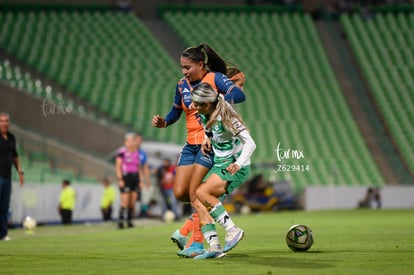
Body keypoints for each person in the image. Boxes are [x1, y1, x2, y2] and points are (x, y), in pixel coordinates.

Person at [152, 43, 246, 257]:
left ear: (201, 65)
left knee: (196, 192)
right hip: (190, 145)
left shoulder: (214, 79)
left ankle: (200, 243)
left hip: (209, 142)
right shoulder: (181, 85)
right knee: (181, 192)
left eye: (188, 67)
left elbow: (239, 97)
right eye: (182, 67)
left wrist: (214, 99)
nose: (184, 72)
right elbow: (175, 111)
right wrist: (164, 123)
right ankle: (196, 233)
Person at [190, 83, 256, 259]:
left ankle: (232, 230)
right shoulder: (207, 112)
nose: (192, 107)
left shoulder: (226, 118)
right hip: (221, 163)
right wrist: (206, 138)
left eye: (196, 104)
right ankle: (214, 247)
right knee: (197, 199)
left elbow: (250, 143)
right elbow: (210, 129)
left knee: (201, 192)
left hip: (233, 165)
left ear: (207, 104)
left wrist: (239, 164)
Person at [0, 112, 24, 241]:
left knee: (4, 207)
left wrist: (20, 171)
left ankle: (3, 235)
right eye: (1, 121)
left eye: (6, 121)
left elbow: (15, 156)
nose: (4, 123)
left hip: (7, 176)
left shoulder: (11, 138)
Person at [134, 133, 151, 217]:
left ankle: (140, 213)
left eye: (140, 141)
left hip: (140, 179)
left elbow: (145, 167)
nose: (138, 142)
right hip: (131, 177)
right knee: (131, 197)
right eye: (137, 140)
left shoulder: (142, 153)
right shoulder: (128, 152)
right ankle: (131, 215)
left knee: (142, 196)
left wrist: (147, 179)